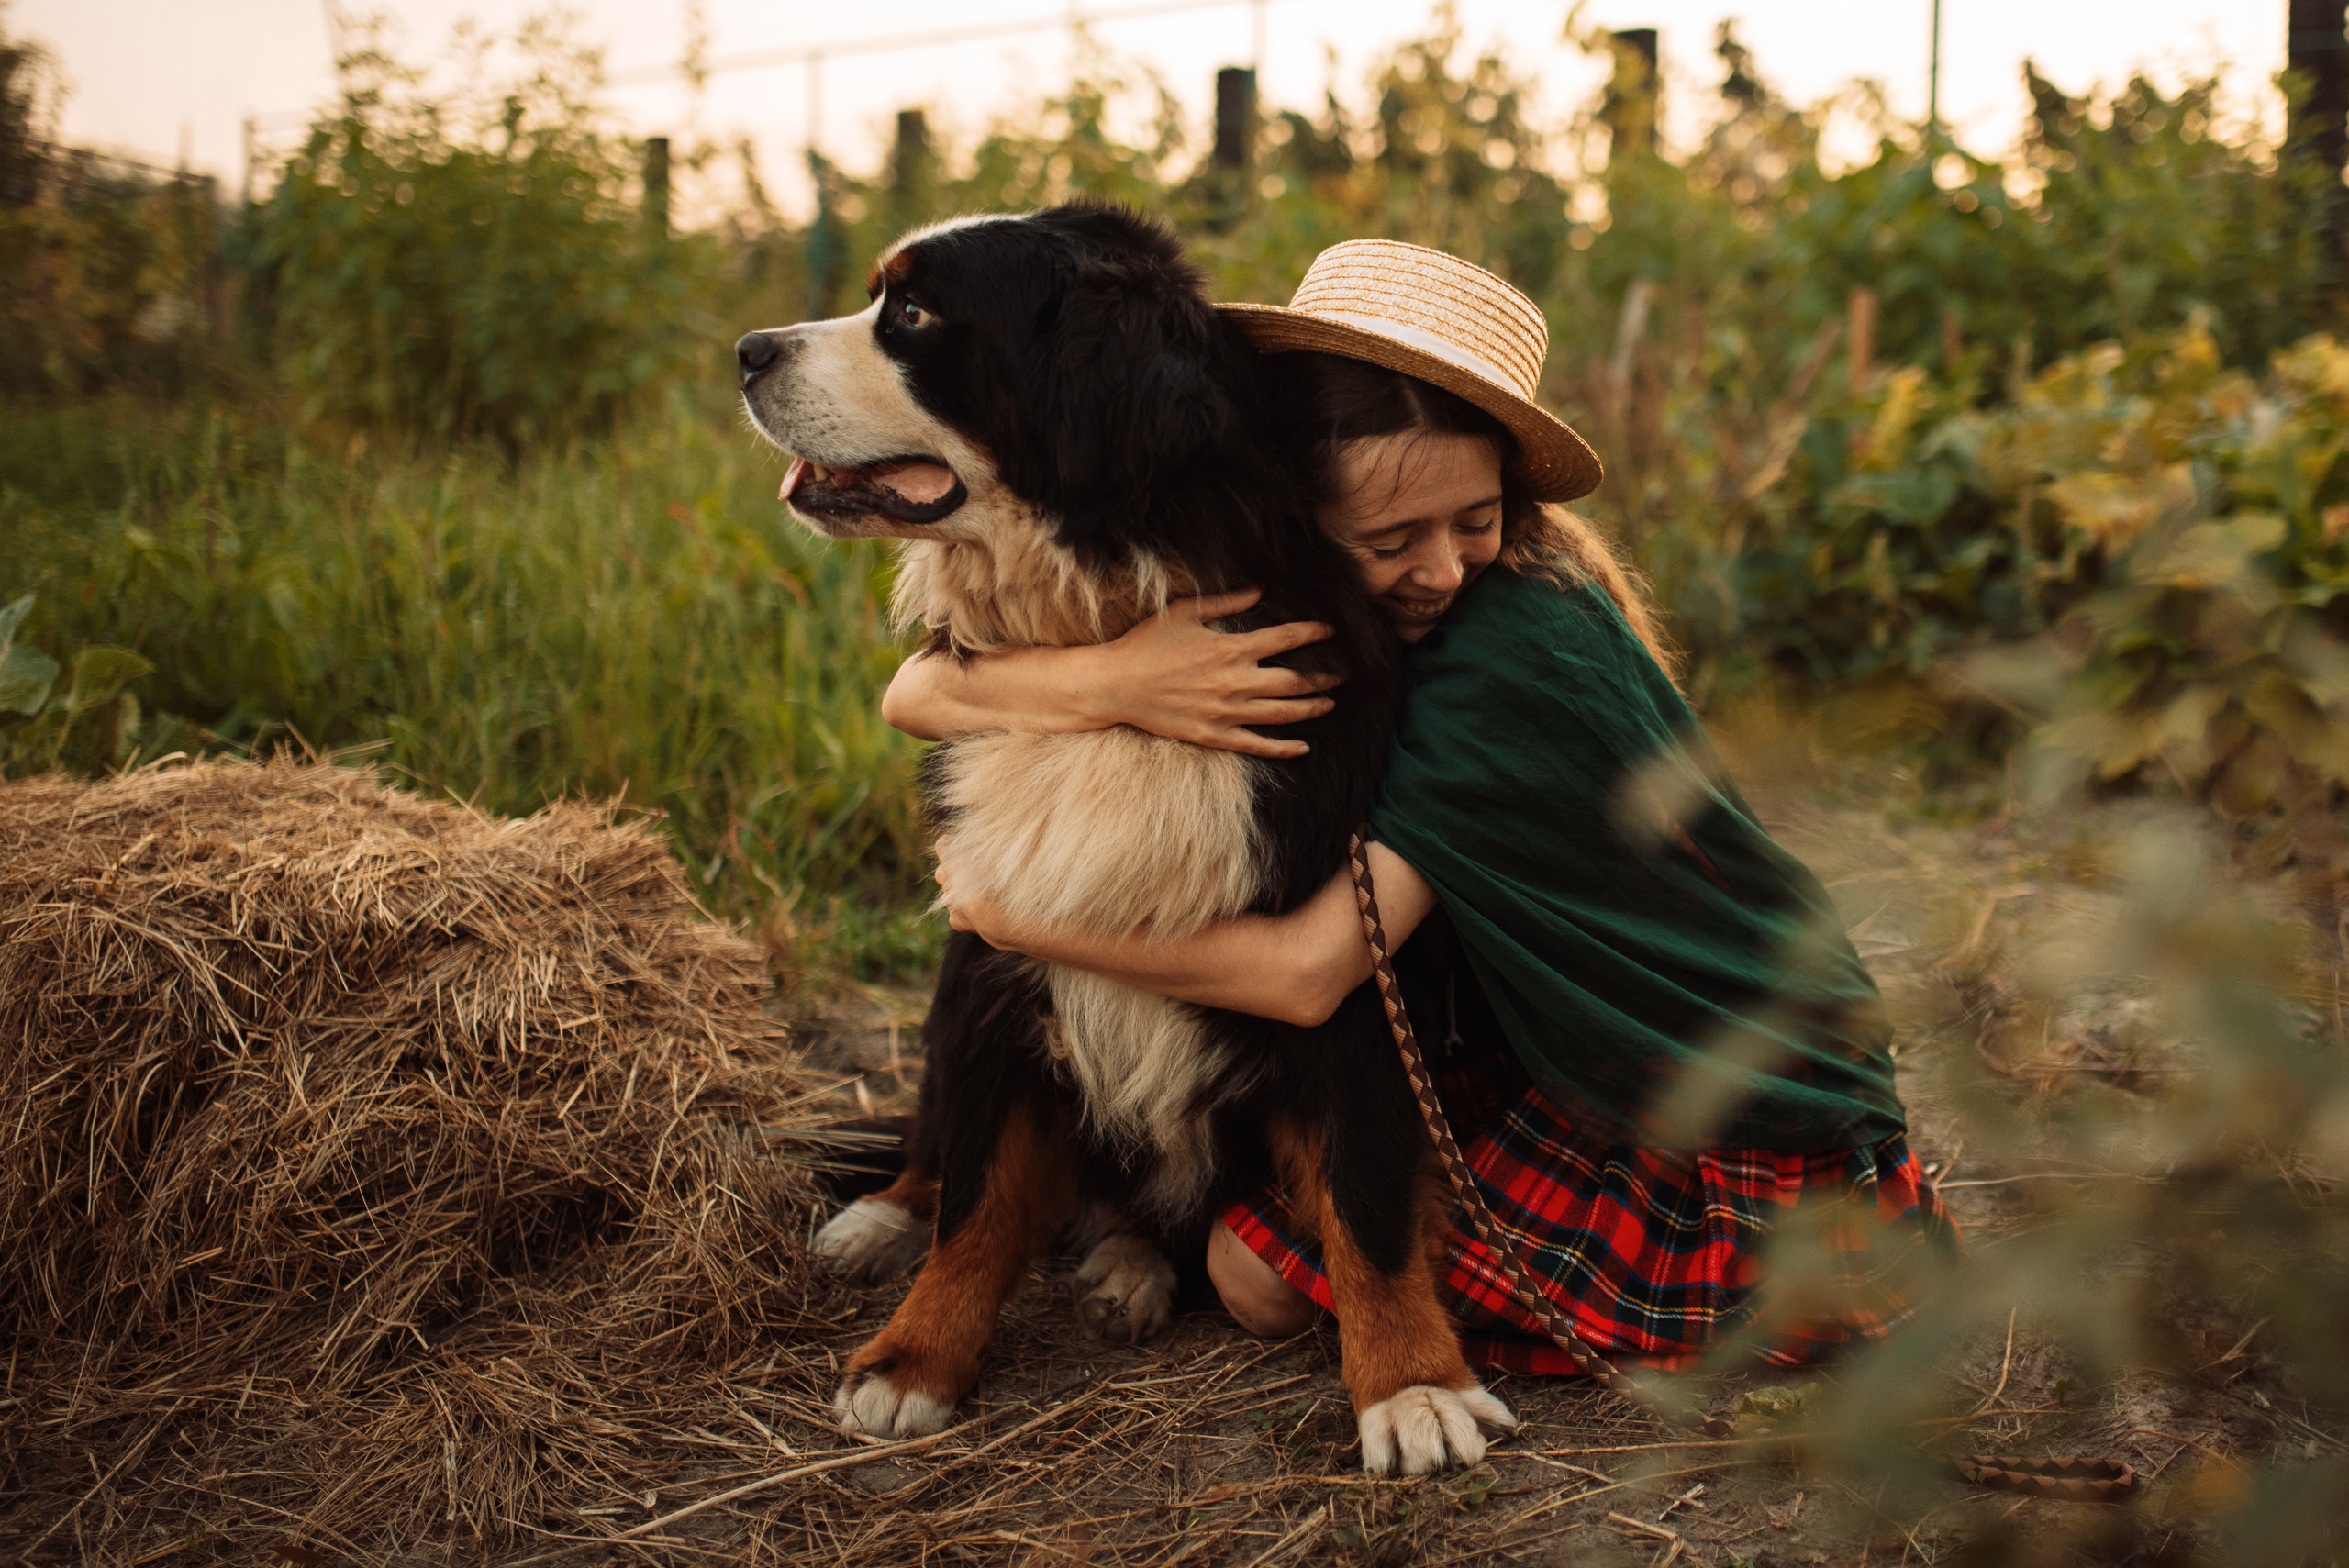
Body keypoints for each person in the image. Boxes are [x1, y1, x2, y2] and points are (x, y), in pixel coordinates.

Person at [889, 239, 1957, 1373]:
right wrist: (1108, 678)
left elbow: (1308, 973)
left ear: (1514, 493)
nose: (1442, 570)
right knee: (1286, 1205)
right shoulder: (1404, 603)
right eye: (1390, 538)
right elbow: (915, 690)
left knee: (1252, 1275)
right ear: (1292, 504)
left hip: (1755, 1153)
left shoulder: (1500, 657)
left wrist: (1010, 920)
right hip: (1627, 1070)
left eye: (1474, 520)